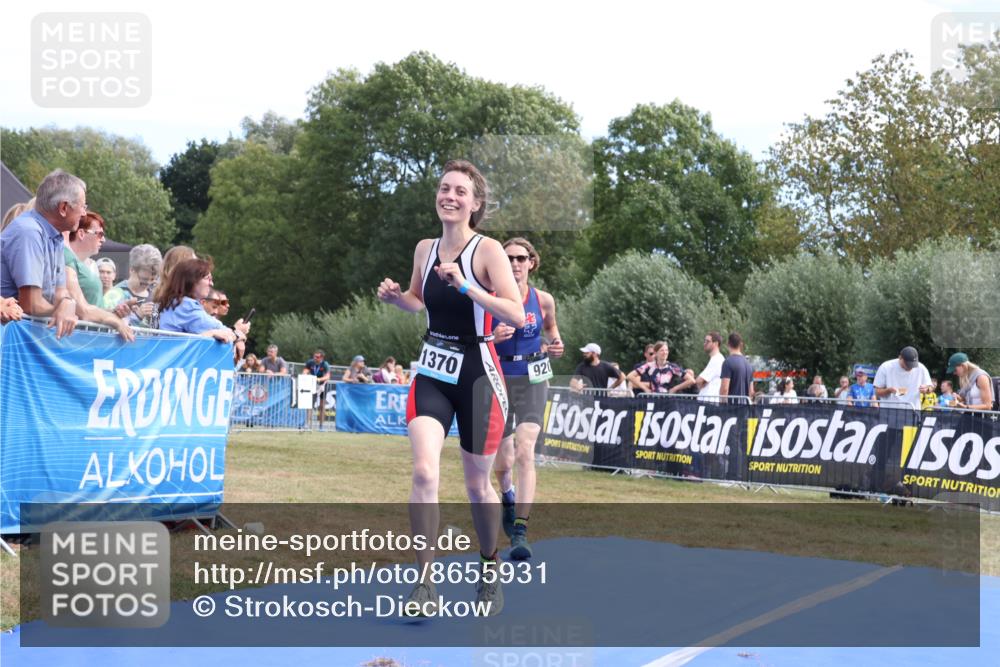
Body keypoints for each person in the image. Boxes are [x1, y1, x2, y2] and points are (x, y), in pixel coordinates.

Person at [377, 159, 524, 616]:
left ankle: (488, 564)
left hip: (479, 373)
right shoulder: (424, 248)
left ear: (475, 204)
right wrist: (396, 299)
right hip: (433, 370)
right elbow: (419, 301)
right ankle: (425, 582)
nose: (450, 196)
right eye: (445, 188)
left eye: (461, 191)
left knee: (478, 487)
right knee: (424, 472)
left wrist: (466, 287)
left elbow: (515, 315)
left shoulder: (488, 251)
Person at [490, 236, 564, 561]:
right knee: (503, 462)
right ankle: (507, 495)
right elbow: (471, 340)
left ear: (531, 262)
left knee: (525, 450)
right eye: (508, 259)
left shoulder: (543, 299)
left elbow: (552, 330)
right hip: (498, 378)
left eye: (521, 258)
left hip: (534, 376)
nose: (515, 264)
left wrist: (557, 343)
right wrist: (490, 338)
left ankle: (521, 529)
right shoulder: (488, 299)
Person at [0, 169, 83, 338]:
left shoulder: (55, 238)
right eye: (83, 206)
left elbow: (60, 294)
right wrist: (60, 310)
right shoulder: (29, 231)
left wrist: (67, 303)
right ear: (64, 207)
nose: (84, 213)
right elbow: (30, 304)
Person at [61, 211, 134, 341]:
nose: (103, 239)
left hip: (86, 338)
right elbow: (83, 310)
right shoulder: (67, 258)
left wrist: (113, 314)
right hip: (75, 339)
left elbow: (90, 307)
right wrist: (115, 321)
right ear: (82, 234)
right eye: (99, 234)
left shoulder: (85, 265)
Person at [156, 257, 250, 344]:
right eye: (208, 279)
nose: (211, 284)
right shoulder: (186, 306)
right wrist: (237, 332)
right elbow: (217, 329)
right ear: (191, 280)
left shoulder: (175, 302)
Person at [110, 244, 162, 327]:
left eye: (152, 280)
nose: (148, 283)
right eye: (144, 279)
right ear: (132, 270)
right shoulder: (115, 294)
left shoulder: (155, 296)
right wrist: (137, 316)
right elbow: (109, 329)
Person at [873, 346, 933, 410]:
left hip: (913, 411)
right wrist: (889, 390)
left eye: (913, 364)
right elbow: (877, 392)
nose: (910, 367)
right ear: (900, 357)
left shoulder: (921, 368)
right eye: (907, 364)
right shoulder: (886, 367)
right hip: (889, 411)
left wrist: (927, 389)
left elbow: (930, 388)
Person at [672, 332, 725, 402]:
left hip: (709, 402)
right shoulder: (716, 358)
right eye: (704, 341)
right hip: (708, 401)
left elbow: (699, 381)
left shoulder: (717, 359)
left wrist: (702, 383)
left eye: (708, 341)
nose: (704, 343)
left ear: (716, 344)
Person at [719, 333, 755, 403]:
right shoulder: (749, 364)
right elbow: (751, 392)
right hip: (745, 408)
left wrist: (722, 407)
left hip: (732, 408)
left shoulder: (728, 362)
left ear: (728, 344)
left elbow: (724, 389)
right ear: (741, 345)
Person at [304, 350, 332, 429]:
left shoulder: (325, 364)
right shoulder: (310, 362)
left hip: (322, 385)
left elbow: (327, 376)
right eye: (314, 356)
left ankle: (321, 426)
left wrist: (319, 379)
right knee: (309, 405)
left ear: (322, 358)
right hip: (312, 384)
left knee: (322, 406)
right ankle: (307, 424)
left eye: (317, 357)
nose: (315, 358)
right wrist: (305, 374)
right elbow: (305, 370)